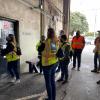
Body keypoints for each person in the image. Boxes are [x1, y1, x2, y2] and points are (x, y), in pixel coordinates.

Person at [42, 28, 58, 100]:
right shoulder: (55, 40)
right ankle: (52, 98)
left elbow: (49, 54)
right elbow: (54, 52)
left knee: (48, 83)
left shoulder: (48, 41)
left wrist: (42, 52)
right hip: (54, 63)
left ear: (48, 33)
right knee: (52, 82)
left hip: (47, 64)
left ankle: (50, 98)